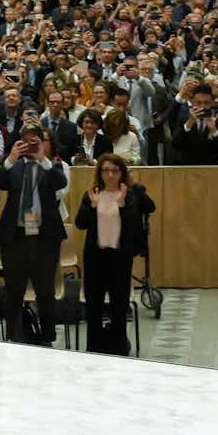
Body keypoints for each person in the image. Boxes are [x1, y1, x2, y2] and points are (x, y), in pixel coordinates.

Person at [0, 126, 68, 345]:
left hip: (44, 238)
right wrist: (10, 159)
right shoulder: (13, 166)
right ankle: (13, 335)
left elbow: (60, 182)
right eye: (26, 141)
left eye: (35, 141)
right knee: (14, 290)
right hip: (15, 237)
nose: (30, 145)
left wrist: (42, 157)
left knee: (45, 291)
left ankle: (47, 338)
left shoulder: (52, 165)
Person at [74, 152, 153, 355]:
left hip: (119, 258)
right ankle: (95, 347)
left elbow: (136, 226)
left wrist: (122, 205)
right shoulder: (92, 193)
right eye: (106, 170)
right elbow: (80, 224)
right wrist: (92, 206)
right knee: (94, 305)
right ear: (100, 173)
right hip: (95, 257)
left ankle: (118, 348)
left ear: (121, 173)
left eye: (114, 170)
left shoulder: (130, 194)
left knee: (119, 306)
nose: (110, 174)